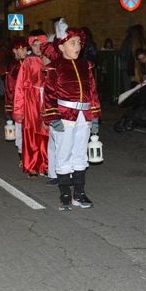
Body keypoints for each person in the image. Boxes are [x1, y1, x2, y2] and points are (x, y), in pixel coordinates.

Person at [42, 25, 101, 210]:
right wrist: (53, 118)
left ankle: (79, 194)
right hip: (64, 116)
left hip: (83, 116)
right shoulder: (54, 68)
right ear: (61, 46)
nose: (78, 46)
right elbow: (49, 95)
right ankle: (65, 194)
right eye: (73, 43)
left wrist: (95, 116)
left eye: (79, 43)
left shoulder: (86, 66)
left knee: (80, 154)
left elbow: (92, 92)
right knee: (63, 153)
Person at [13, 32, 50, 178]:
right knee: (32, 133)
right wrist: (19, 109)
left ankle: (46, 164)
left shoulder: (50, 60)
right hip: (32, 102)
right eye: (34, 45)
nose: (38, 48)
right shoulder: (28, 62)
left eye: (41, 45)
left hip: (47, 100)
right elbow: (20, 87)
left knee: (46, 133)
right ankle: (32, 164)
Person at [5, 37, 28, 159]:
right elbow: (10, 86)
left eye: (26, 48)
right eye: (22, 49)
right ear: (15, 51)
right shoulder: (14, 66)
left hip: (30, 102)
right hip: (19, 103)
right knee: (20, 130)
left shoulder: (27, 62)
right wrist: (10, 104)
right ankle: (22, 156)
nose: (25, 51)